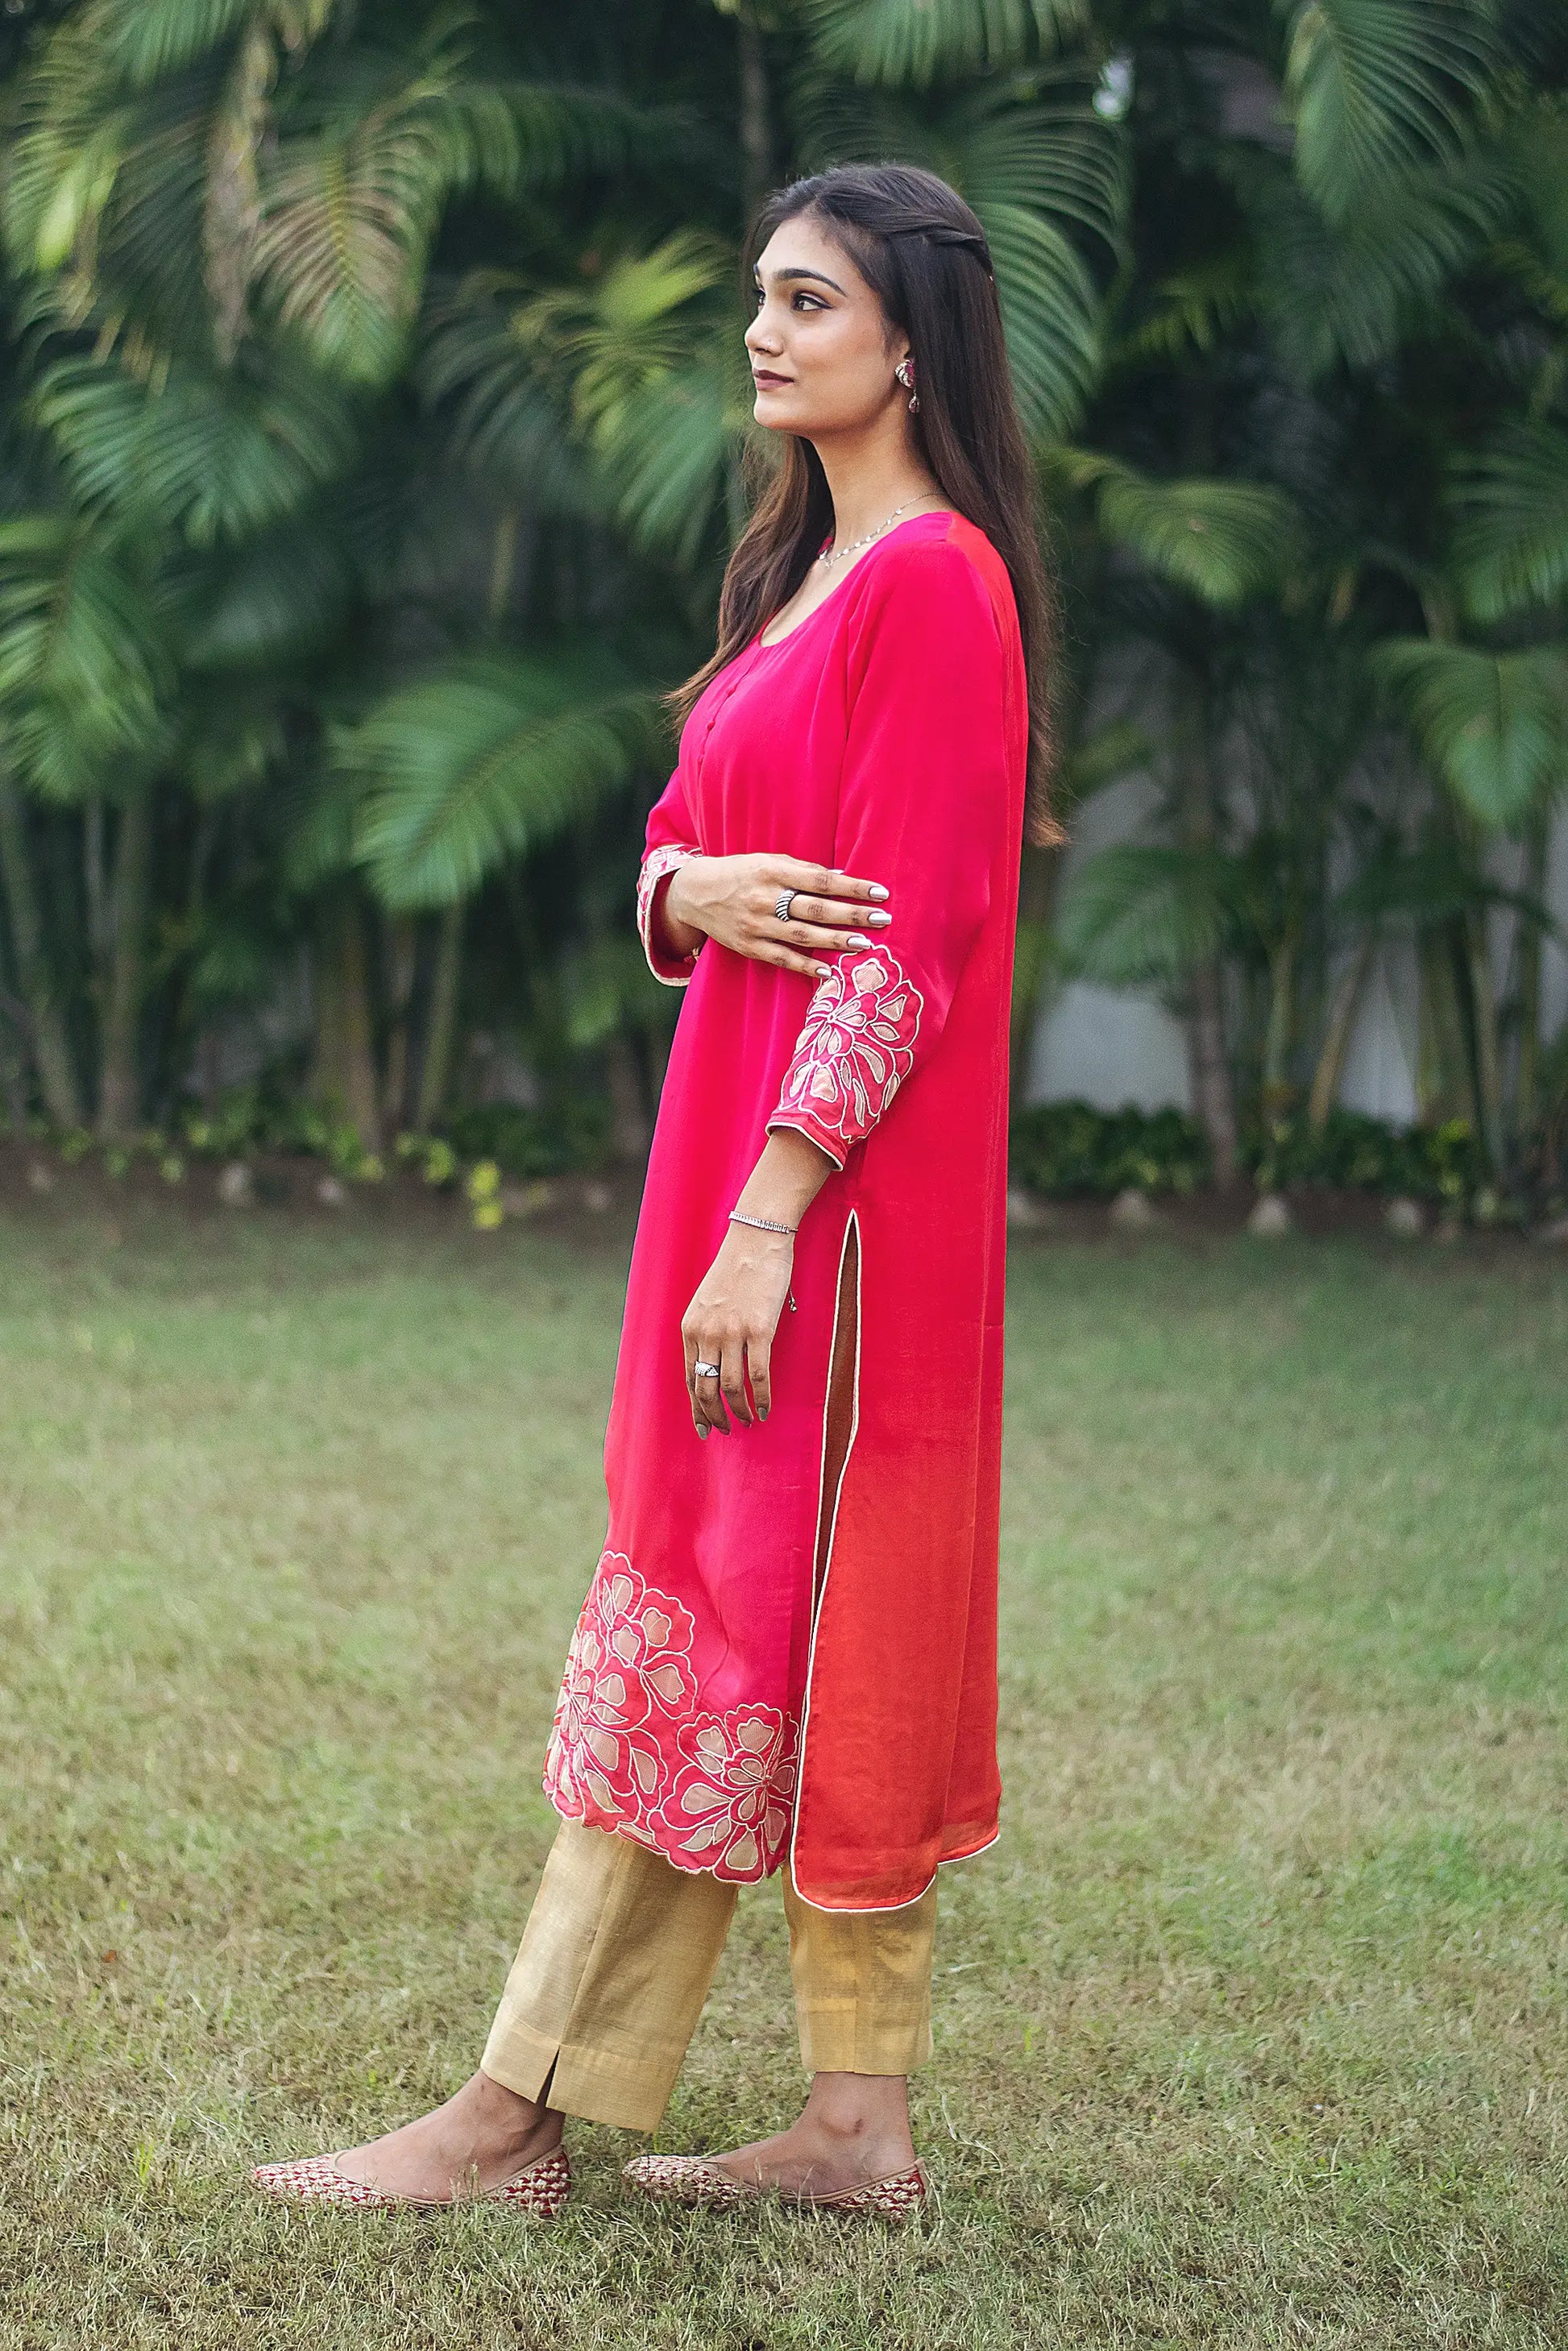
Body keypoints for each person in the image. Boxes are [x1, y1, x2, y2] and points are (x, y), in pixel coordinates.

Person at [252, 158, 1057, 2223]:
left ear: (910, 337)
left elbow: (916, 942)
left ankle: (509, 2114)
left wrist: (775, 1219)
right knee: (745, 1611)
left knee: (733, 1613)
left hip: (834, 1213)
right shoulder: (802, 573)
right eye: (760, 300)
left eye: (806, 301)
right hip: (741, 1161)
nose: (765, 333)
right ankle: (855, 2128)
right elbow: (682, 845)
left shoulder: (939, 583)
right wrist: (680, 889)